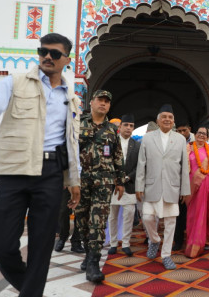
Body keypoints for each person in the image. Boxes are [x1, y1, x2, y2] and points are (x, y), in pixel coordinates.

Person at [0, 33, 81, 296]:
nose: (47, 57)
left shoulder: (71, 97)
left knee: (41, 247)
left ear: (67, 59)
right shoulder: (16, 82)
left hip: (52, 173)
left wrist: (74, 181)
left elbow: (71, 143)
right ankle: (32, 290)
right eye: (43, 51)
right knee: (1, 245)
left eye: (55, 53)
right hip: (15, 171)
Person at [76, 90, 125, 283]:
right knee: (82, 220)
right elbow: (68, 151)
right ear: (92, 103)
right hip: (80, 181)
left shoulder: (112, 130)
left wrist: (120, 181)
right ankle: (89, 255)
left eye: (107, 101)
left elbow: (117, 156)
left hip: (104, 182)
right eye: (100, 100)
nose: (103, 104)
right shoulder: (78, 124)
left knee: (97, 221)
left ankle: (94, 263)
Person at [135, 104, 191, 270]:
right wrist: (139, 185)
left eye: (170, 117)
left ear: (173, 121)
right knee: (147, 218)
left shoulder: (180, 139)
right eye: (164, 117)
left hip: (171, 187)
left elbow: (184, 166)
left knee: (170, 222)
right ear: (158, 120)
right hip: (151, 186)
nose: (167, 119)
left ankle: (166, 255)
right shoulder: (147, 138)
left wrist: (185, 190)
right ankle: (154, 240)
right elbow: (141, 163)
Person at [185, 126, 209, 258]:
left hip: (207, 188)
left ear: (207, 137)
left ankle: (207, 240)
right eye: (199, 133)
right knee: (193, 214)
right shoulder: (187, 149)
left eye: (204, 134)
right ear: (195, 134)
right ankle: (193, 241)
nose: (201, 135)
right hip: (192, 188)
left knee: (208, 214)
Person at [108, 113, 140, 256]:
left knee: (129, 216)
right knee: (112, 216)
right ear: (120, 127)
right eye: (125, 125)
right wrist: (116, 179)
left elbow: (139, 166)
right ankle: (113, 243)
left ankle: (126, 244)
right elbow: (107, 162)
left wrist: (126, 178)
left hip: (129, 184)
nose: (128, 128)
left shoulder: (137, 145)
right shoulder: (111, 142)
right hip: (113, 185)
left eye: (131, 126)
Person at [173, 122, 194, 251]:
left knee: (192, 215)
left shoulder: (197, 143)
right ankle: (178, 241)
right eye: (179, 131)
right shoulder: (173, 142)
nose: (181, 133)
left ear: (189, 129)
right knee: (178, 215)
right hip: (178, 185)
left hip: (194, 185)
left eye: (184, 130)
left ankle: (193, 240)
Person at [55, 188, 84, 253]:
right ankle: (63, 236)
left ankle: (76, 241)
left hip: (83, 182)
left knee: (80, 212)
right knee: (63, 211)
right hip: (68, 182)